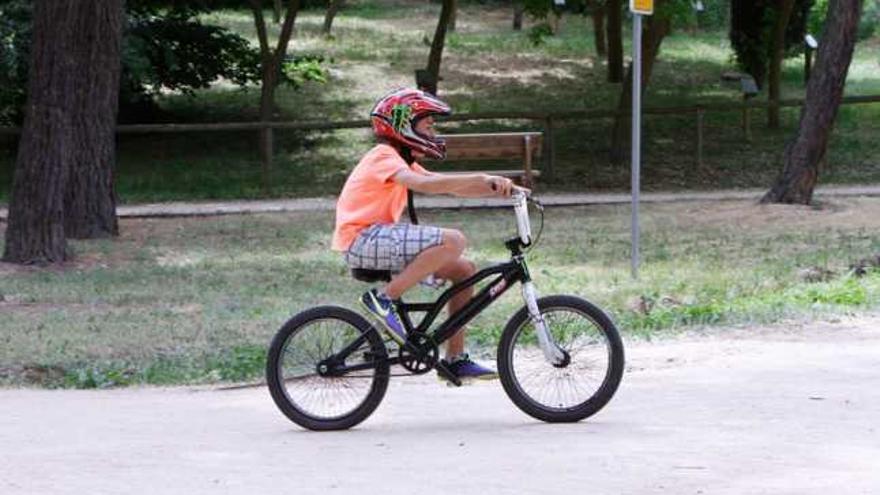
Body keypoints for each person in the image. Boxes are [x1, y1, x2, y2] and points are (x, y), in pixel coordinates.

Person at [331, 88, 517, 382]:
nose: (432, 130)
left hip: (379, 241)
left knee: (465, 270)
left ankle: (455, 359)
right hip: (362, 240)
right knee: (453, 240)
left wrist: (502, 187)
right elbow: (422, 184)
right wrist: (482, 179)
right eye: (428, 124)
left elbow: (448, 185)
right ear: (404, 125)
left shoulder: (402, 160)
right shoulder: (383, 155)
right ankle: (384, 299)